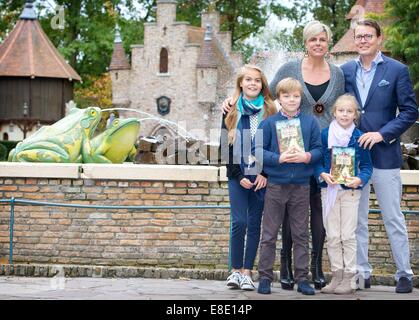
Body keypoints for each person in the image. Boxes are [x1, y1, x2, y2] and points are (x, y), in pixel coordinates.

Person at [222, 20, 345, 290]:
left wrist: (306, 158)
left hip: (306, 168)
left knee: (305, 224)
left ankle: (308, 272)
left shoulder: (335, 76)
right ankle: (263, 273)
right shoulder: (260, 115)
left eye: (322, 39)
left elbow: (341, 110)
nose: (317, 43)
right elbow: (237, 144)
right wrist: (261, 168)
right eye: (312, 39)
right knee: (258, 226)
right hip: (271, 177)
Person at [341, 19, 418, 293]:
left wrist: (383, 134)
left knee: (392, 217)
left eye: (368, 36)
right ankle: (362, 273)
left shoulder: (397, 70)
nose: (363, 40)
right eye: (359, 36)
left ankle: (404, 274)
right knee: (356, 219)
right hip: (353, 159)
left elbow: (410, 112)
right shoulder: (345, 71)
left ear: (379, 39)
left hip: (385, 156)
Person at [255, 78, 322, 295]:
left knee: (301, 234)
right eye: (286, 96)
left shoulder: (310, 122)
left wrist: (307, 156)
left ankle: (302, 279)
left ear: (300, 98)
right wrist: (279, 158)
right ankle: (264, 278)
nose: (291, 100)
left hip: (301, 186)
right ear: (279, 98)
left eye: (295, 96)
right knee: (269, 234)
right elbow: (258, 152)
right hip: (276, 185)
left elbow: (319, 150)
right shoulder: (269, 123)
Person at [222, 64, 276, 291]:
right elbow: (225, 145)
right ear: (241, 83)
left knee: (254, 223)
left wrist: (264, 173)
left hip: (261, 176)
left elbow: (274, 144)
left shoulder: (271, 110)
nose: (253, 83)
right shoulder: (231, 109)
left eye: (257, 80)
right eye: (248, 80)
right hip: (238, 175)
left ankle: (247, 271)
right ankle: (234, 270)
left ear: (262, 85)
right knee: (239, 221)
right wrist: (238, 174)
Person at [314, 94, 372, 294]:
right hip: (328, 190)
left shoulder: (360, 137)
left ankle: (350, 278)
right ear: (334, 112)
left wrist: (360, 180)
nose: (345, 114)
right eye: (341, 110)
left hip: (350, 193)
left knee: (347, 235)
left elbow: (366, 167)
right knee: (332, 235)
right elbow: (318, 162)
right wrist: (321, 173)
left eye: (349, 111)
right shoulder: (324, 135)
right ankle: (336, 276)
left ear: (355, 114)